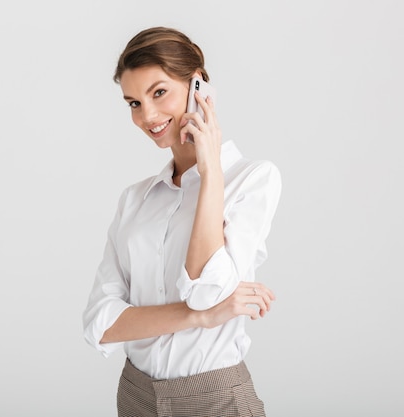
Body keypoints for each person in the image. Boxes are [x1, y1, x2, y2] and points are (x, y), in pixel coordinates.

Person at [82, 26, 282, 417]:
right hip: (135, 395)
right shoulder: (135, 200)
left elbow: (206, 290)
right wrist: (199, 318)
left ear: (199, 87)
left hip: (215, 400)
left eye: (159, 93)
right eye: (134, 103)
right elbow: (100, 325)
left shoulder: (254, 180)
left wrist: (211, 175)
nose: (147, 116)